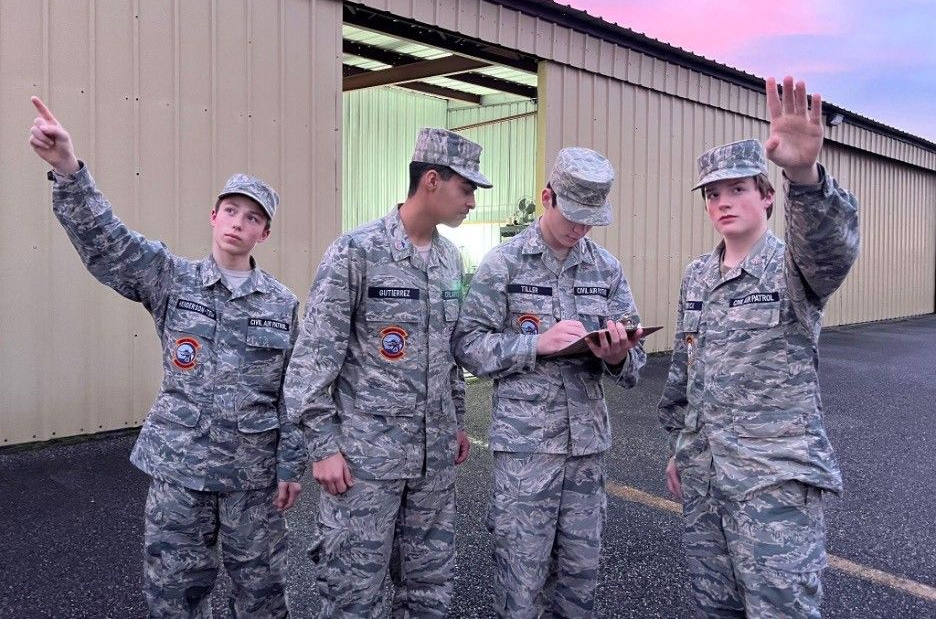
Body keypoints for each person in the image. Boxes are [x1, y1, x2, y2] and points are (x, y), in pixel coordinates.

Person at [27, 96, 305, 618]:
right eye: (230, 211)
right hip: (180, 471)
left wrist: (292, 465)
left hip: (253, 481)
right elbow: (108, 243)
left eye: (252, 218)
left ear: (263, 233)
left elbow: (294, 391)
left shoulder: (283, 304)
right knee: (174, 596)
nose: (237, 223)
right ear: (213, 216)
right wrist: (68, 168)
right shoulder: (171, 279)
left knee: (263, 597)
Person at [658, 76, 860, 618]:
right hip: (706, 475)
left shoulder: (791, 264)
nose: (723, 202)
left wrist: (803, 174)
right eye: (713, 194)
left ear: (767, 197)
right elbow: (686, 369)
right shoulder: (698, 275)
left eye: (739, 189)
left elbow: (829, 248)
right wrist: (683, 444)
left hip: (772, 482)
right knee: (714, 608)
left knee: (780, 609)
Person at [284, 128, 492, 617]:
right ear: (433, 181)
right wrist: (322, 448)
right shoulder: (356, 252)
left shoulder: (447, 260)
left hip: (433, 462)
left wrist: (457, 419)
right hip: (364, 466)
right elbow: (313, 359)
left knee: (428, 588)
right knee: (353, 591)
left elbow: (446, 355)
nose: (472, 204)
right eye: (468, 190)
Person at [453, 146, 647, 618]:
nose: (579, 229)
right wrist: (534, 345)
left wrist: (619, 356)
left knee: (579, 580)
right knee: (521, 578)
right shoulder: (505, 263)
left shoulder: (606, 268)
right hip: (526, 452)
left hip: (586, 450)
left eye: (590, 219)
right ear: (547, 197)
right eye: (573, 215)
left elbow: (635, 363)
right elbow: (466, 344)